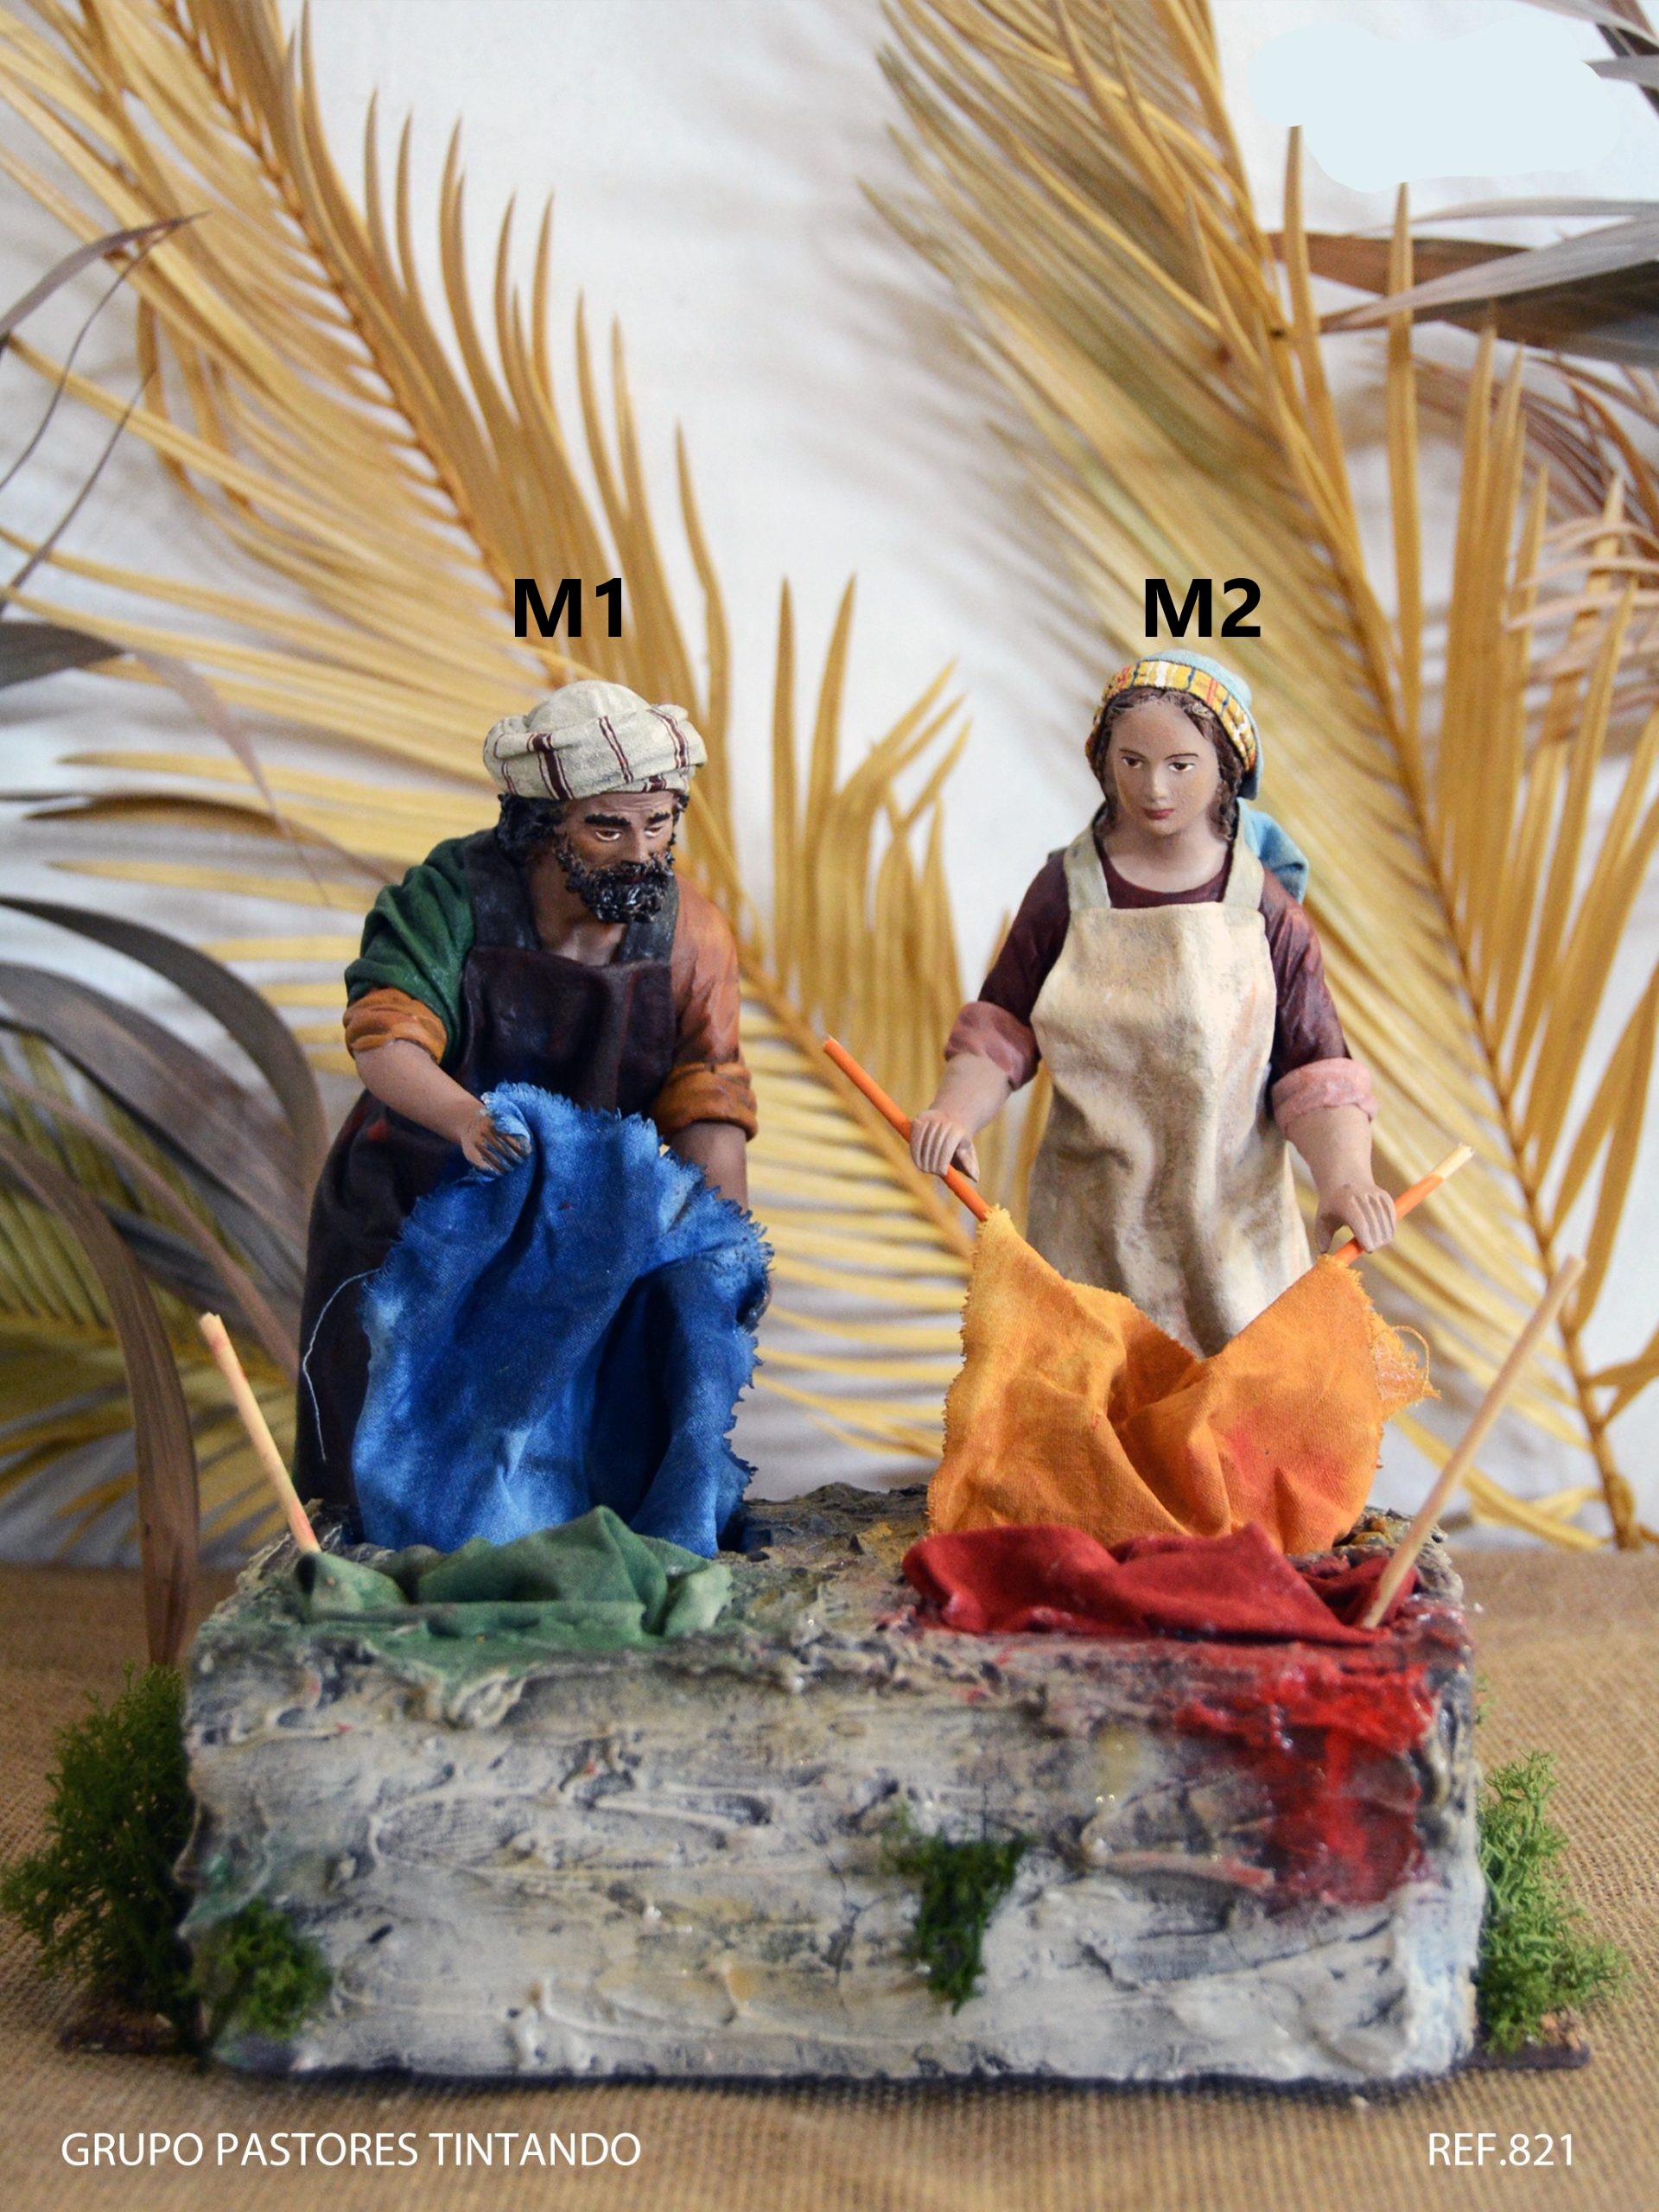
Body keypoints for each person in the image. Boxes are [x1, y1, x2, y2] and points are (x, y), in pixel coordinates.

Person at [295, 679, 758, 1522]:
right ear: (543, 826)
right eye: (608, 827)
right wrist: (467, 1121)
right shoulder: (449, 898)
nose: (641, 852)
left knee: (580, 1436)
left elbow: (707, 1097)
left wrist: (719, 1242)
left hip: (580, 1224)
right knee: (383, 1433)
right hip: (417, 1201)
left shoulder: (693, 935)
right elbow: (386, 1035)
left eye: (659, 824)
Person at [909, 650, 1394, 1357]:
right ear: (1104, 761)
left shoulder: (1262, 907)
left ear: (1225, 769)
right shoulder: (1066, 890)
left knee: (1229, 1401)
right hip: (1089, 1224)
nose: (1154, 787)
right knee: (1093, 1391)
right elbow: (1002, 1029)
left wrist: (1346, 1179)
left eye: (1180, 765)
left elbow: (1314, 1066)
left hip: (1232, 1232)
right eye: (1132, 762)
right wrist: (954, 1113)